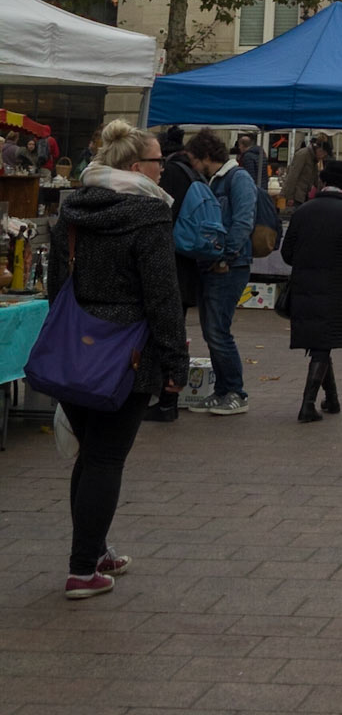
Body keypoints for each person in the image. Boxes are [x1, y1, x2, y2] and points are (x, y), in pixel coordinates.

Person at [44, 120, 187, 599]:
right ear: (133, 167)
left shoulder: (75, 209)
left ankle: (94, 549)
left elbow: (56, 284)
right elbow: (163, 297)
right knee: (107, 459)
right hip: (128, 353)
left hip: (77, 347)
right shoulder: (148, 216)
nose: (162, 170)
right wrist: (175, 364)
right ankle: (83, 569)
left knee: (91, 456)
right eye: (156, 162)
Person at [279, 156, 342, 422]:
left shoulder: (304, 211)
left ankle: (331, 399)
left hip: (303, 286)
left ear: (323, 181)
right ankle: (307, 405)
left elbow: (287, 253)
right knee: (323, 343)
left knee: (321, 343)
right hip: (333, 288)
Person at [183, 126, 257, 416]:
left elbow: (243, 221)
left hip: (229, 265)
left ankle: (236, 391)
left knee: (218, 330)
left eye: (193, 159)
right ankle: (224, 390)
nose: (191, 165)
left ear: (204, 156)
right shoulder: (213, 180)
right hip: (215, 263)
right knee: (212, 329)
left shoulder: (237, 178)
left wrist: (226, 256)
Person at [144, 126, 200, 424]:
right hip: (188, 265)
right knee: (175, 332)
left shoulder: (172, 177)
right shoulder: (193, 174)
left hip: (172, 264)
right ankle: (167, 399)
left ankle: (165, 401)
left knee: (164, 333)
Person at [282, 133, 331, 211]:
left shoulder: (313, 159)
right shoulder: (303, 155)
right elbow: (292, 176)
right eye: (324, 155)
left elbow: (316, 179)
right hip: (296, 196)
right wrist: (289, 197)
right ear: (320, 150)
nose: (323, 158)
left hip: (303, 195)